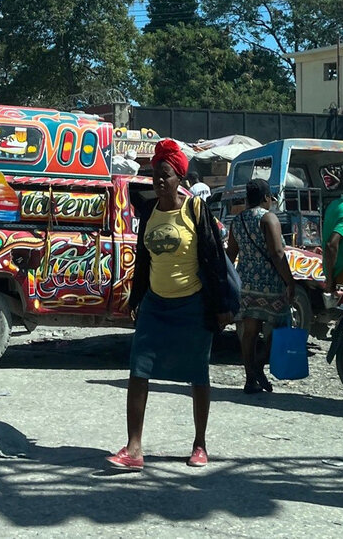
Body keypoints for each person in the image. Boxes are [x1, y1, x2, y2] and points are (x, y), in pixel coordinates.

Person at [107, 139, 233, 471]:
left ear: (179, 177)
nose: (159, 180)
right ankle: (134, 449)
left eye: (165, 174)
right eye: (155, 174)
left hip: (192, 305)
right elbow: (144, 260)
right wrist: (136, 299)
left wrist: (221, 306)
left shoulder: (195, 209)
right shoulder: (148, 211)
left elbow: (214, 259)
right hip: (155, 306)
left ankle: (200, 444)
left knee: (197, 374)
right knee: (138, 369)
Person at [226, 178, 295, 394]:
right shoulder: (269, 218)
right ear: (266, 197)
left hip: (246, 284)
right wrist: (290, 281)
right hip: (270, 284)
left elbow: (231, 254)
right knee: (280, 326)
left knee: (250, 331)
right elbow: (277, 253)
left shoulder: (238, 221)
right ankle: (258, 367)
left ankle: (250, 379)